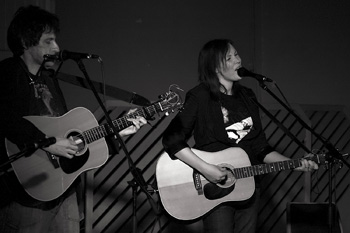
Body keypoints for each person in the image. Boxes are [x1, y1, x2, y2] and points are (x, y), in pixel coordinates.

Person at [0, 5, 147, 233]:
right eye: (48, 41)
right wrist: (48, 143)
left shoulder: (50, 80)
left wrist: (117, 133)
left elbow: (71, 140)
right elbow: (4, 118)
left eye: (55, 40)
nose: (57, 47)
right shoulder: (8, 72)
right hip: (27, 194)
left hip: (64, 190)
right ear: (26, 41)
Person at [162, 39, 319, 233]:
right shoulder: (200, 96)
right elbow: (172, 139)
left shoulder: (248, 96)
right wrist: (207, 169)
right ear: (216, 67)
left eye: (237, 54)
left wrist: (293, 164)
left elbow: (261, 148)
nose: (238, 60)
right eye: (230, 57)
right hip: (215, 187)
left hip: (249, 186)